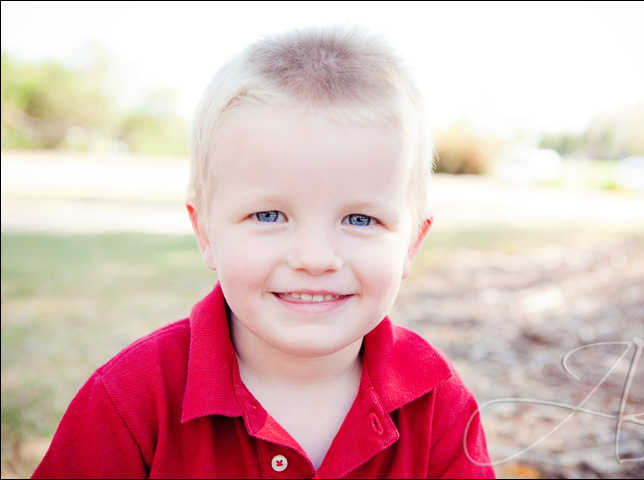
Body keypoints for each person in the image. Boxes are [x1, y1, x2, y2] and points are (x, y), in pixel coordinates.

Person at [32, 25, 494, 479]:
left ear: (412, 243)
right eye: (269, 215)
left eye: (360, 219)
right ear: (206, 231)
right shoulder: (132, 400)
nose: (314, 259)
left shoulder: (436, 403)